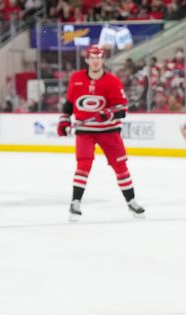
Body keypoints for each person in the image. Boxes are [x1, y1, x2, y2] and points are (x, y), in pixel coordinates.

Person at [57, 45, 145, 221]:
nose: (96, 61)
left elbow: (122, 110)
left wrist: (109, 113)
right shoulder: (76, 79)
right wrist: (65, 119)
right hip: (85, 131)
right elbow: (69, 103)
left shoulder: (112, 81)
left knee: (120, 167)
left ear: (102, 60)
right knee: (83, 165)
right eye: (92, 58)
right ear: (87, 60)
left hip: (109, 131)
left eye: (99, 58)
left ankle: (131, 201)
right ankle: (75, 203)